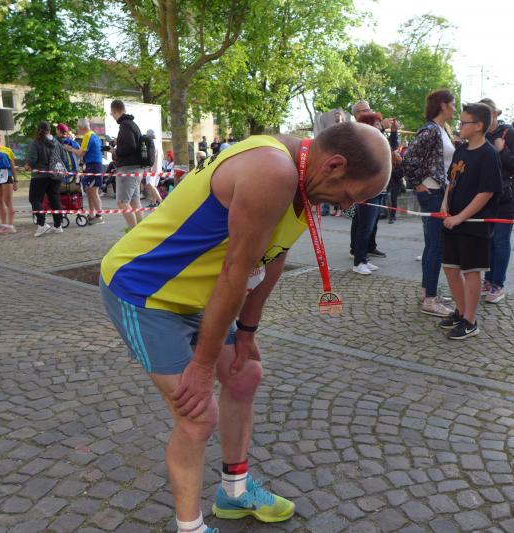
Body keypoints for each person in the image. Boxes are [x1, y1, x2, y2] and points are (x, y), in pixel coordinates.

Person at [98, 122, 391, 533]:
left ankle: (234, 493)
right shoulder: (272, 170)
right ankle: (190, 528)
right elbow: (236, 272)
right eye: (351, 196)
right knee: (198, 414)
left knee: (244, 373)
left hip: (199, 294)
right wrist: (202, 367)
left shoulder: (306, 180)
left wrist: (248, 332)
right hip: (144, 291)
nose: (345, 207)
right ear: (335, 165)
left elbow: (272, 258)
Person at [438, 102, 501, 339]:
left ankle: (470, 321)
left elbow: (486, 193)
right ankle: (461, 311)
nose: (459, 126)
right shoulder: (461, 150)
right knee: (450, 267)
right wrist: (445, 204)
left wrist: (460, 217)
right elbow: (451, 181)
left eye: (464, 122)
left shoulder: (488, 154)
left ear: (478, 126)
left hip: (474, 225)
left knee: (471, 272)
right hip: (452, 221)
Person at [403, 89, 456, 317]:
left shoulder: (442, 129)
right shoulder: (431, 130)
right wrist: (416, 183)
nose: (455, 108)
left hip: (437, 191)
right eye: (453, 104)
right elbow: (408, 159)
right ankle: (430, 300)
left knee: (431, 245)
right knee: (436, 246)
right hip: (431, 192)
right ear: (443, 105)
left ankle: (427, 292)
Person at [481, 97, 514, 304]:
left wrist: (503, 151)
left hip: (506, 198)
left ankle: (497, 284)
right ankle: (489, 279)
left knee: (500, 241)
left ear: (493, 114)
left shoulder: (510, 133)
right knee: (488, 241)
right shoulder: (482, 135)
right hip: (486, 197)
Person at [349, 100, 397, 262]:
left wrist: (393, 132)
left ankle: (369, 247)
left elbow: (390, 148)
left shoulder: (374, 128)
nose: (368, 113)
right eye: (364, 111)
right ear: (356, 115)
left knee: (373, 219)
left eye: (369, 109)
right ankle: (357, 252)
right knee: (363, 221)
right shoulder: (356, 130)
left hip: (379, 183)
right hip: (365, 184)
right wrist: (381, 127)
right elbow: (365, 148)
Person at [26, 121, 65, 237]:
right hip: (56, 175)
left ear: (38, 129)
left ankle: (42, 224)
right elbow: (63, 158)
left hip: (40, 176)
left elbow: (32, 159)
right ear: (50, 130)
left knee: (35, 199)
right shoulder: (57, 142)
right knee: (55, 199)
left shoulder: (36, 142)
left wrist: (28, 165)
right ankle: (58, 226)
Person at [111, 99, 144, 230]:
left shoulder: (124, 125)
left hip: (127, 169)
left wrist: (116, 150)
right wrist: (119, 142)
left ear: (115, 111)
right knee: (135, 202)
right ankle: (141, 231)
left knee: (122, 202)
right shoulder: (132, 124)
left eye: (112, 114)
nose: (112, 116)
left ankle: (133, 233)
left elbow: (130, 146)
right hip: (136, 169)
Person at [62, 119, 104, 224]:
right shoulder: (94, 135)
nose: (77, 129)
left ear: (81, 127)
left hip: (93, 166)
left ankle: (99, 216)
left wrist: (70, 149)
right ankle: (92, 214)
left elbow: (81, 153)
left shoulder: (87, 136)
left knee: (93, 191)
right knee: (89, 191)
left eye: (77, 127)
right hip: (93, 165)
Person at [387, 150, 405, 224]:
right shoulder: (389, 164)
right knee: (389, 200)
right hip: (390, 185)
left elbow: (401, 175)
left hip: (396, 184)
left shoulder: (399, 164)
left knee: (393, 200)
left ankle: (392, 216)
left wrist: (392, 171)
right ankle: (390, 215)